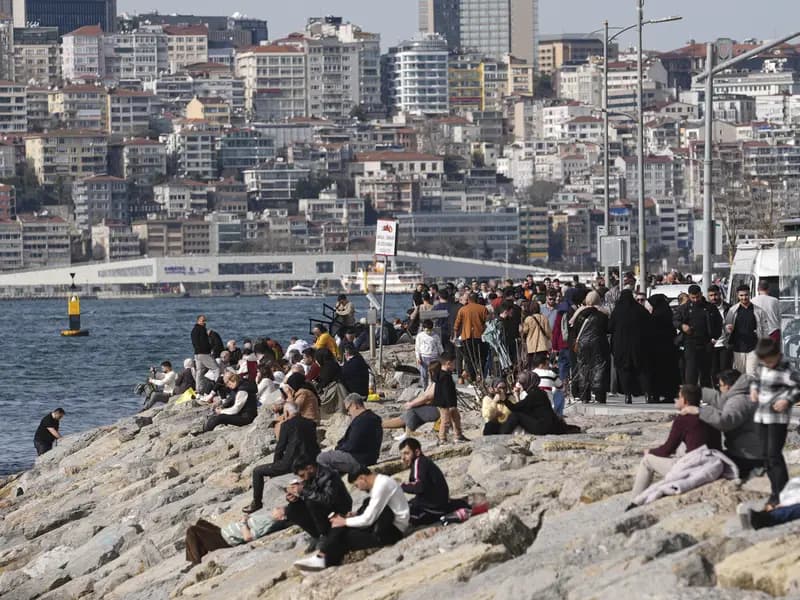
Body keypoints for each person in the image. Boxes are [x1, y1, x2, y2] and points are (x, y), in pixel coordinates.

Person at [293, 466, 409, 571]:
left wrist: (344, 522)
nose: (358, 488)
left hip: (393, 532)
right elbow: (373, 511)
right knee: (343, 531)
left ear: (362, 478)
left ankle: (322, 559)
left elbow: (368, 519)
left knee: (344, 535)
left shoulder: (381, 485)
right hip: (387, 526)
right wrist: (354, 515)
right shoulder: (381, 482)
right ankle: (322, 560)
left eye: (356, 485)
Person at [629, 385, 722, 498]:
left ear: (685, 400)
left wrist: (650, 451)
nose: (676, 400)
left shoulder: (683, 419)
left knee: (647, 461)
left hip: (695, 467)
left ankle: (634, 499)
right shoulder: (708, 415)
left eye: (679, 397)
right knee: (681, 448)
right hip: (713, 462)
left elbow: (667, 450)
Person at [681, 369, 762, 479]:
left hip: (747, 457)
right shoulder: (744, 394)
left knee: (704, 465)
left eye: (720, 385)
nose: (719, 388)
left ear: (728, 387)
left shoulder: (739, 400)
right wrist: (699, 392)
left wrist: (699, 411)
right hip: (752, 453)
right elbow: (722, 401)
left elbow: (725, 422)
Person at [750, 337, 800, 510]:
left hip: (777, 418)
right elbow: (756, 380)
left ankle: (780, 493)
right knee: (765, 455)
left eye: (770, 361)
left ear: (777, 355)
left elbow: (797, 387)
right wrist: (754, 390)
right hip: (761, 416)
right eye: (764, 361)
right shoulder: (761, 365)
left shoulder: (786, 369)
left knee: (773, 454)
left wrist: (787, 400)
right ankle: (776, 491)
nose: (768, 364)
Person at [243, 403, 321, 513]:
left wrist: (276, 465)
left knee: (257, 471)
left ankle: (257, 503)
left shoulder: (286, 425)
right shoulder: (310, 423)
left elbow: (280, 447)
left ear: (287, 412)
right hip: (310, 461)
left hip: (291, 464)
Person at [278, 456, 353, 553]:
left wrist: (304, 491)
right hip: (322, 506)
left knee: (312, 502)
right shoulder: (310, 477)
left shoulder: (329, 476)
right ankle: (316, 535)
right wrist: (294, 498)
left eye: (302, 475)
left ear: (310, 468)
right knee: (291, 509)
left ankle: (325, 534)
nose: (302, 478)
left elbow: (327, 499)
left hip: (339, 507)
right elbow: (310, 494)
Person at [185, 513, 286, 565]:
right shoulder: (267, 518)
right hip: (222, 532)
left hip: (225, 540)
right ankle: (196, 556)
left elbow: (248, 537)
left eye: (280, 509)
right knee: (200, 523)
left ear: (281, 517)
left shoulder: (269, 524)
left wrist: (243, 522)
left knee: (192, 530)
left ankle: (196, 562)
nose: (277, 508)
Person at [317, 394, 382, 473]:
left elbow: (352, 445)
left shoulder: (362, 420)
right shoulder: (372, 417)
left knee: (321, 457)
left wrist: (337, 449)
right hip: (368, 458)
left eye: (348, 409)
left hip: (359, 459)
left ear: (354, 405)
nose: (348, 413)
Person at [673, 285, 723, 388]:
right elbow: (675, 320)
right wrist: (682, 326)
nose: (696, 300)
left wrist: (715, 338)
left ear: (701, 295)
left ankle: (705, 395)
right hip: (690, 342)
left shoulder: (710, 308)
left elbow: (719, 322)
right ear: (689, 296)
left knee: (706, 370)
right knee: (691, 371)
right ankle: (691, 394)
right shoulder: (684, 308)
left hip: (706, 342)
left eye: (698, 297)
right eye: (693, 298)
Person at [609, 290, 652, 404]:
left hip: (621, 346)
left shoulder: (617, 311)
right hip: (639, 346)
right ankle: (647, 394)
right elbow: (649, 323)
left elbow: (610, 327)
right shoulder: (640, 310)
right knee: (642, 370)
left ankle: (628, 396)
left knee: (624, 371)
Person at [382, 361, 441, 441]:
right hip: (433, 407)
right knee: (405, 416)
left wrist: (412, 404)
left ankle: (408, 433)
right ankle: (380, 424)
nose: (428, 374)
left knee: (411, 411)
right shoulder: (434, 382)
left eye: (429, 372)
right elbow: (425, 396)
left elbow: (428, 397)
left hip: (438, 410)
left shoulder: (439, 382)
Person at [399, 438, 451, 525]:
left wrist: (400, 486)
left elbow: (419, 486)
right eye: (402, 454)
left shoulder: (419, 462)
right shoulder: (422, 461)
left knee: (400, 516)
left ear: (417, 452)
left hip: (434, 508)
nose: (403, 458)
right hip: (435, 503)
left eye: (406, 453)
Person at [571, 291, 610, 404]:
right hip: (598, 343)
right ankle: (599, 395)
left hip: (582, 344)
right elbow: (608, 329)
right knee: (599, 368)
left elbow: (574, 330)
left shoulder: (579, 315)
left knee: (583, 368)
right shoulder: (602, 315)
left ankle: (584, 396)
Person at [724, 285, 770, 377]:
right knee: (740, 375)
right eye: (741, 295)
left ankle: (752, 391)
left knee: (751, 373)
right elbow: (727, 327)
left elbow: (765, 329)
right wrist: (728, 329)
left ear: (750, 295)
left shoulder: (758, 311)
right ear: (737, 296)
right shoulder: (733, 310)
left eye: (746, 295)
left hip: (753, 347)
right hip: (738, 347)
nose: (744, 297)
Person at [648, 294, 681, 403]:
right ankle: (669, 395)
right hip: (669, 349)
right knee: (669, 373)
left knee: (657, 373)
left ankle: (656, 395)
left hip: (656, 350)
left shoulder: (655, 316)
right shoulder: (668, 314)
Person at [433, 351, 468, 445]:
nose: (455, 366)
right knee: (446, 420)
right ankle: (442, 438)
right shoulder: (444, 376)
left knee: (456, 417)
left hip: (448, 402)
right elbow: (445, 392)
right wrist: (450, 405)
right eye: (454, 363)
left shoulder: (443, 374)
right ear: (448, 363)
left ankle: (458, 435)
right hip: (445, 403)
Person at [454, 293, 488, 382]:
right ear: (477, 299)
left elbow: (457, 324)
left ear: (468, 300)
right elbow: (487, 322)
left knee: (469, 359)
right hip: (480, 336)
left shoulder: (463, 309)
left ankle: (473, 379)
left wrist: (455, 335)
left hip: (467, 336)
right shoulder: (483, 309)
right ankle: (481, 375)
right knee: (481, 357)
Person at [707, 285, 732, 385]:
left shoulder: (728, 308)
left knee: (725, 370)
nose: (714, 298)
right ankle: (717, 391)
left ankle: (725, 390)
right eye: (711, 295)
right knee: (713, 371)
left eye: (715, 295)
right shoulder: (707, 309)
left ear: (720, 294)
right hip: (712, 344)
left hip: (725, 344)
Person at [192, 315, 218, 393]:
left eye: (205, 320)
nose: (204, 322)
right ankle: (217, 388)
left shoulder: (194, 330)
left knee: (199, 372)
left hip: (197, 353)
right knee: (216, 369)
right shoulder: (201, 330)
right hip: (204, 353)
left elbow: (195, 343)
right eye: (203, 320)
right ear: (198, 321)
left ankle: (198, 389)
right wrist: (210, 348)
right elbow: (204, 342)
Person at [521, 301, 552, 365]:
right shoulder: (544, 318)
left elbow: (524, 331)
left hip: (531, 346)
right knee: (541, 364)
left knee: (532, 365)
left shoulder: (528, 319)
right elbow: (548, 333)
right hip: (543, 346)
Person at [415, 319, 443, 388]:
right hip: (424, 357)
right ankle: (425, 388)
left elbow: (439, 346)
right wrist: (418, 357)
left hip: (434, 357)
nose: (428, 332)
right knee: (424, 375)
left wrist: (442, 355)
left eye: (430, 330)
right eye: (427, 330)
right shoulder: (420, 336)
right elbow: (417, 347)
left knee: (434, 374)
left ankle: (434, 388)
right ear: (423, 328)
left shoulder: (435, 336)